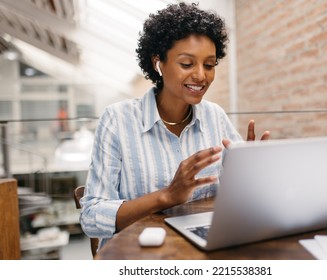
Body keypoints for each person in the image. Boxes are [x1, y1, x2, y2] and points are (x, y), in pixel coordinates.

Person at [80, 2, 270, 251]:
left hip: (204, 249)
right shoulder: (117, 119)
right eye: (187, 64)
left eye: (209, 65)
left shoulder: (215, 116)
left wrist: (250, 172)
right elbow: (91, 217)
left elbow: (235, 195)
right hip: (140, 256)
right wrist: (166, 196)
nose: (201, 76)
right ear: (158, 63)